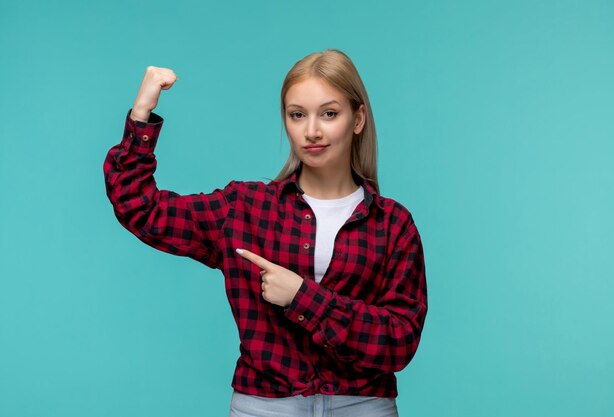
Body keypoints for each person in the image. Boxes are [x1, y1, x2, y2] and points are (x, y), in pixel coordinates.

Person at [104, 49, 427, 417]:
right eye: (297, 115)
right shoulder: (244, 208)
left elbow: (400, 342)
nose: (312, 131)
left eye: (330, 113)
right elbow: (140, 207)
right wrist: (142, 113)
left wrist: (302, 297)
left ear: (358, 119)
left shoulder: (393, 224)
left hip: (363, 406)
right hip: (265, 407)